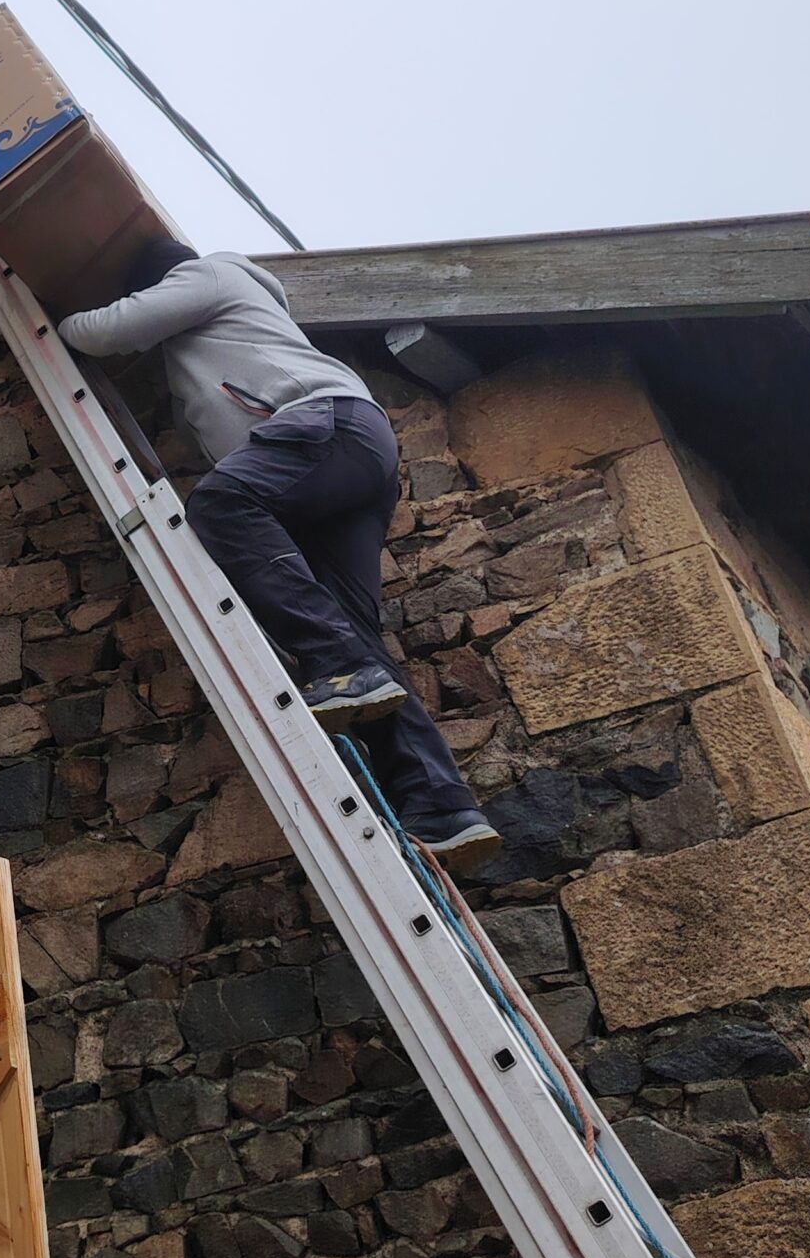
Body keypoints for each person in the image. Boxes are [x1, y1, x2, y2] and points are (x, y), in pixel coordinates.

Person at [59, 237, 499, 863]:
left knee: (220, 503)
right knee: (355, 638)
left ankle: (339, 664)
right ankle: (443, 807)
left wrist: (54, 318)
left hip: (328, 427)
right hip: (346, 460)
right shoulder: (217, 343)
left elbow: (107, 331)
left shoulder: (210, 274)